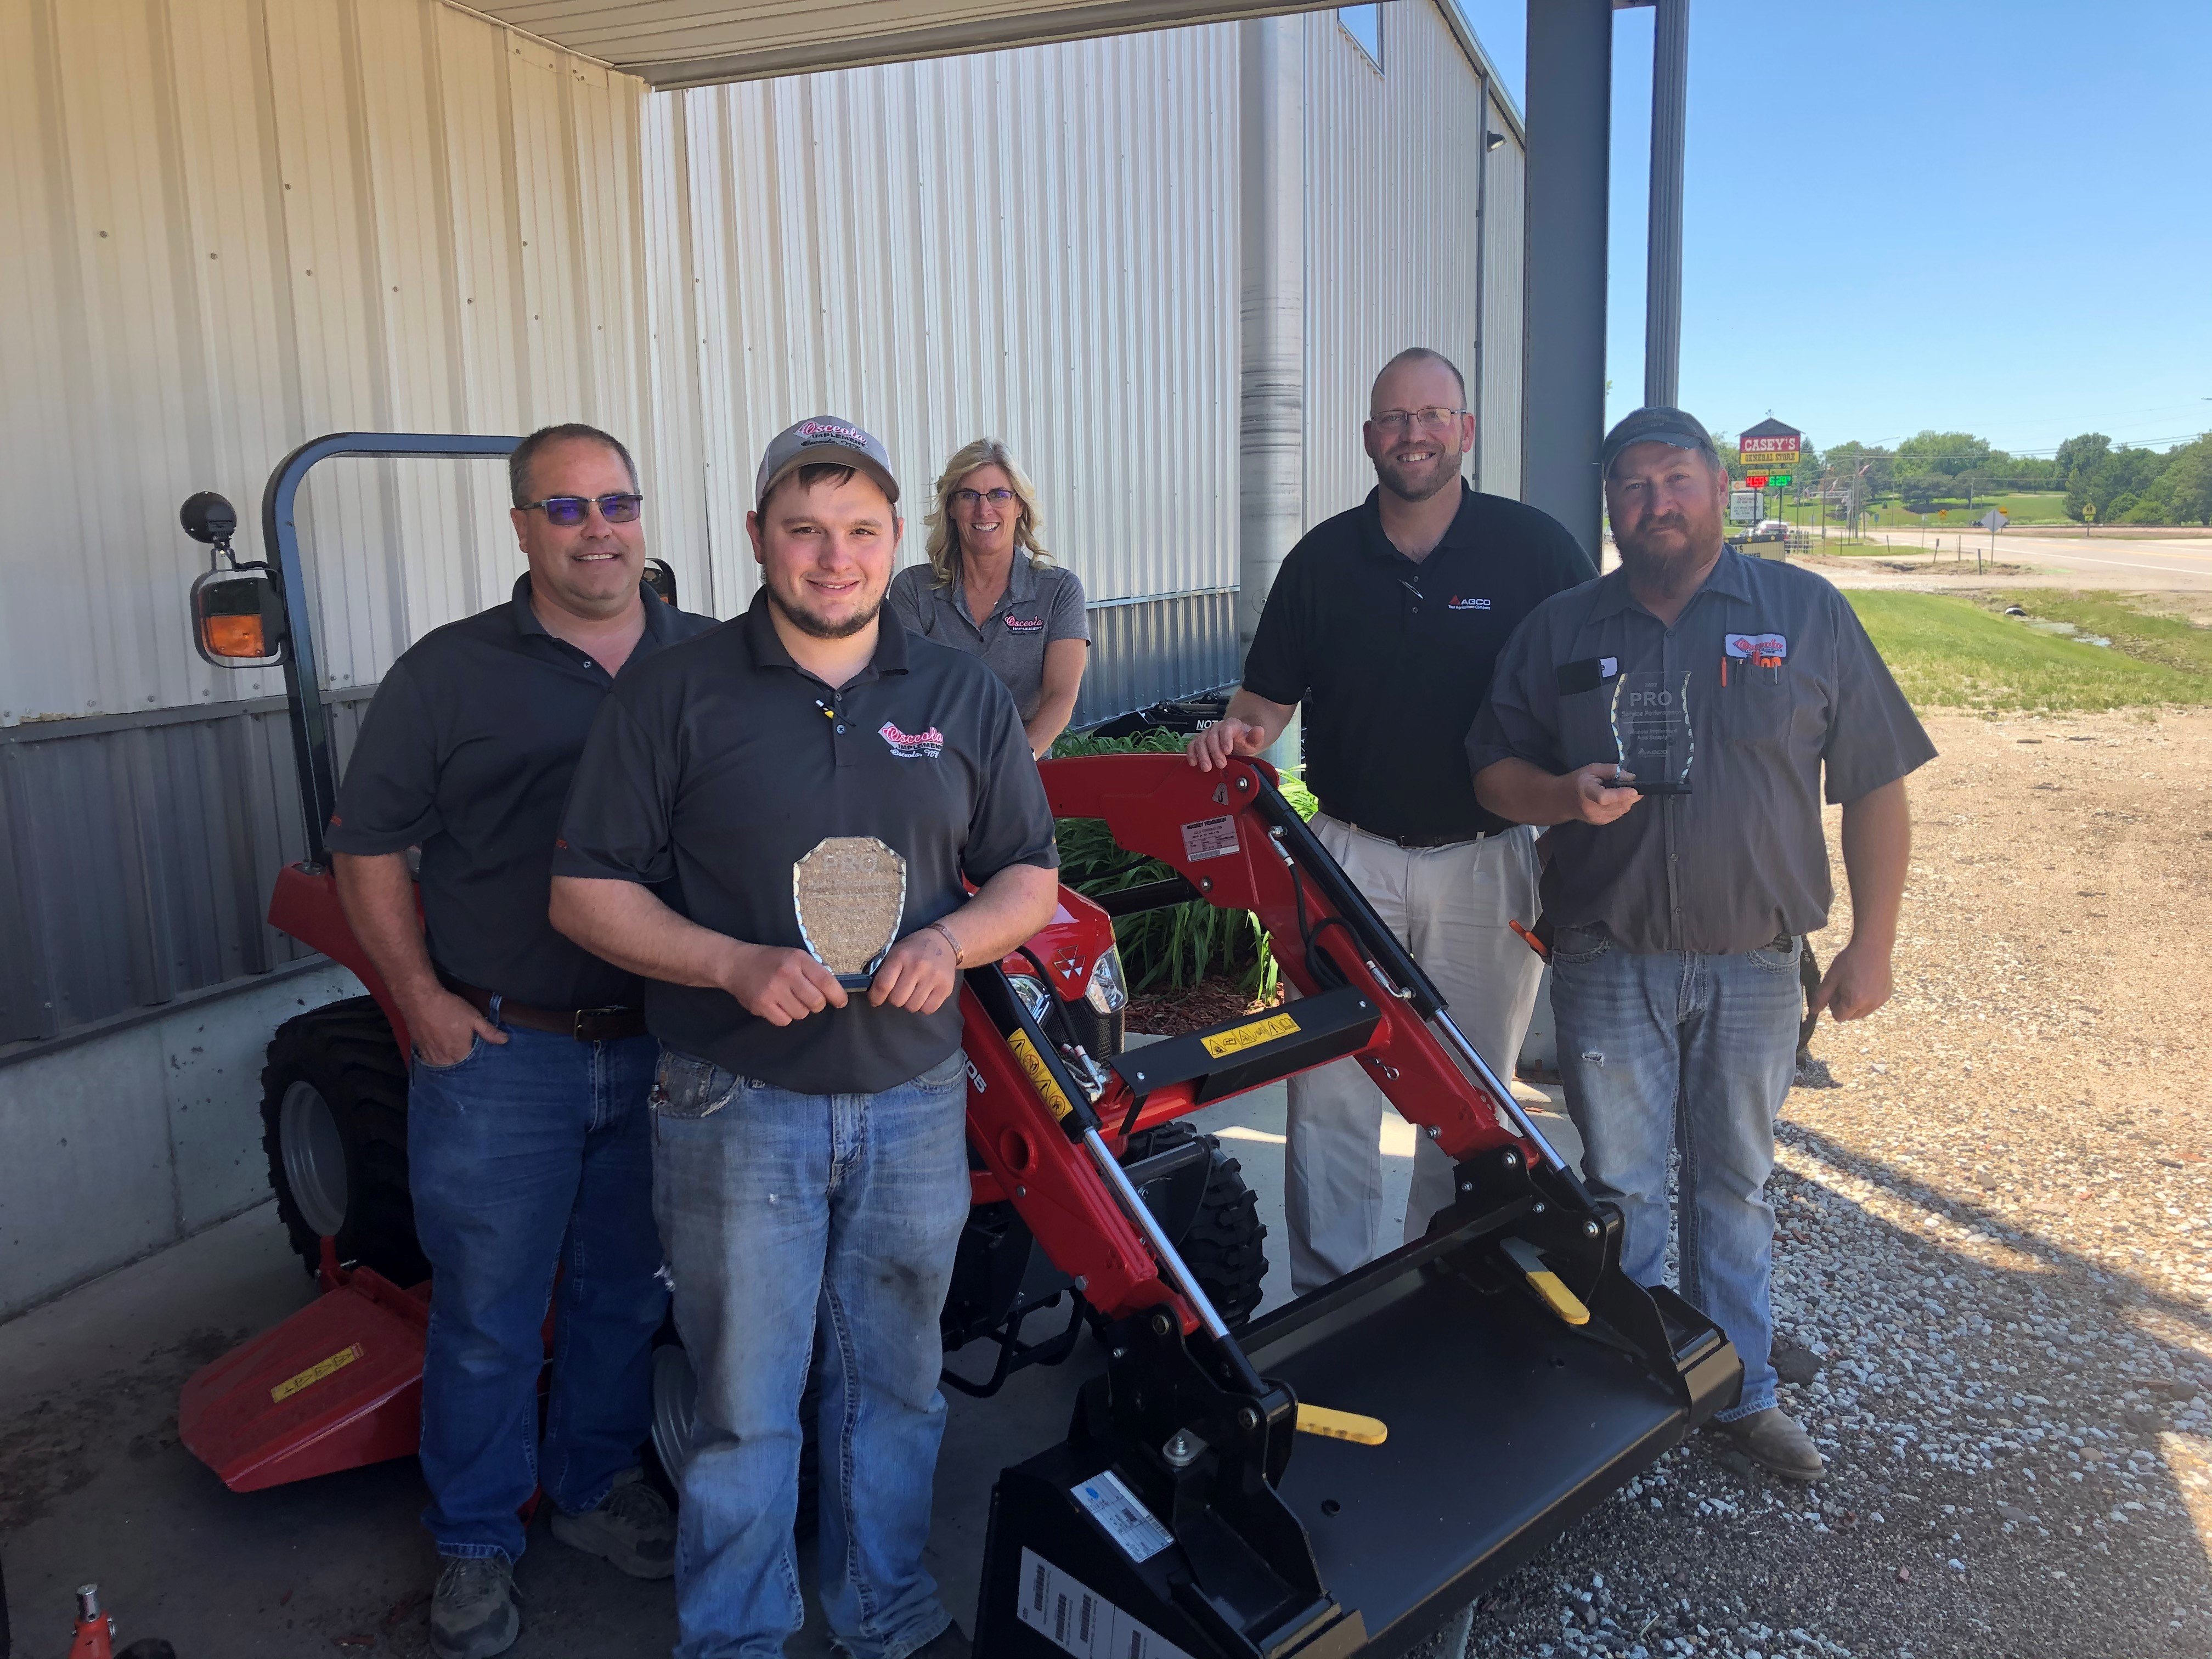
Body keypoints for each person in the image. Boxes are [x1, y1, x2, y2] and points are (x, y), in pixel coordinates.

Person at [547, 416, 1061, 1659]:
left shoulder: (957, 693)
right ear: (757, 538)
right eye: (806, 530)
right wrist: (727, 960)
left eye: (862, 532)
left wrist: (955, 943)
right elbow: (583, 892)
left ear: (898, 542)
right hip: (737, 1103)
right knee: (744, 1400)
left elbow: (1029, 875)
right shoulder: (677, 692)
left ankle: (886, 1610)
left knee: (895, 1386)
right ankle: (735, 1635)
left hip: (912, 1103)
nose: (835, 557)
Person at [1468, 405, 1934, 1482]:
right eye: (1631, 486)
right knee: (1623, 1188)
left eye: (1675, 480)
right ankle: (1623, 1398)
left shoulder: (1807, 613)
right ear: (1611, 504)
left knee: (1733, 1182)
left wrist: (1876, 945)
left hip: (1756, 962)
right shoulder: (1563, 629)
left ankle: (1740, 1394)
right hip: (1606, 957)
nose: (1654, 503)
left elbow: (1873, 785)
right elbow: (1494, 771)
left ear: (1721, 489)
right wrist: (1557, 795)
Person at [327, 424, 715, 1659]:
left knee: (620, 1294)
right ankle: (478, 1539)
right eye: (567, 509)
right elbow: (367, 848)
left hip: (669, 1047)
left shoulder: (713, 659)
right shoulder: (448, 674)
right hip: (506, 1054)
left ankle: (593, 1488)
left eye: (617, 502)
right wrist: (422, 1003)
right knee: (491, 1313)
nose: (598, 528)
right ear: (521, 529)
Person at [1187, 347, 1596, 1295]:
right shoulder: (1323, 559)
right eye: (1393, 418)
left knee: (1468, 1093)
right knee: (1328, 1088)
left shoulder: (1533, 549)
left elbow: (1590, 683)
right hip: (1346, 859)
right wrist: (1230, 738)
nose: (1413, 433)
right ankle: (1332, 1292)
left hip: (1487, 859)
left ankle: (1444, 1277)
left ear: (1465, 428)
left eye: (1431, 414)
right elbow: (1262, 705)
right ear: (1369, 436)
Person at [887, 437, 1088, 757]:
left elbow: (1060, 697)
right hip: (934, 767)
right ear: (951, 508)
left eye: (999, 494)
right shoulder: (913, 588)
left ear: (1019, 505)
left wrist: (1012, 765)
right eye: (968, 495)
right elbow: (905, 693)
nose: (984, 509)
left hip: (1025, 768)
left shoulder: (1058, 591)